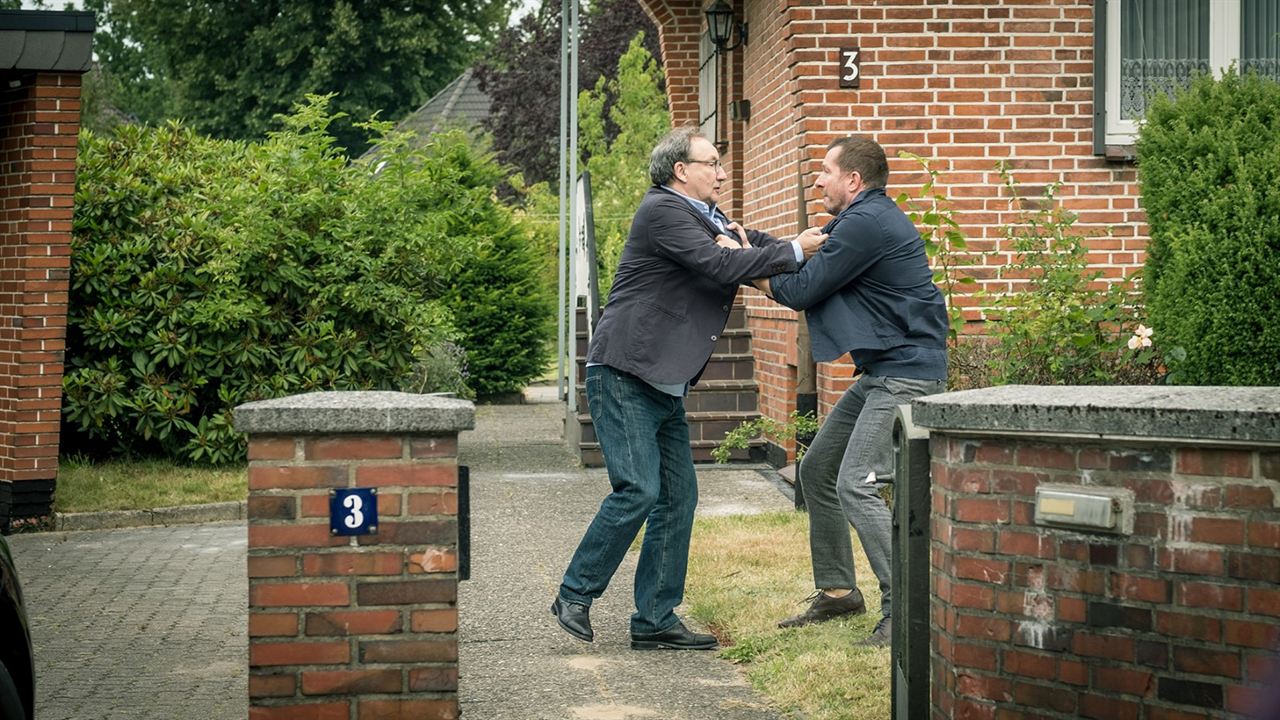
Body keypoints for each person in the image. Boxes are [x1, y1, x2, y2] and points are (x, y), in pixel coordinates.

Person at [552, 126, 827, 650]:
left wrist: (813, 243)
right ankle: (574, 594)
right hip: (626, 373)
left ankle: (655, 620)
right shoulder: (663, 212)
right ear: (682, 170)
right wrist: (793, 249)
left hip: (664, 382)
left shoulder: (710, 218)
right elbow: (721, 263)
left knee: (678, 499)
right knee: (639, 490)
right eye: (713, 163)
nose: (723, 173)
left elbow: (752, 246)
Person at [748, 135, 948, 646]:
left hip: (906, 373)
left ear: (853, 180)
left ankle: (905, 610)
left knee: (855, 481)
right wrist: (739, 237)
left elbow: (798, 289)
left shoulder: (866, 224)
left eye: (825, 171)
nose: (816, 180)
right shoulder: (860, 221)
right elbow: (797, 255)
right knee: (817, 470)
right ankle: (839, 593)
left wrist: (738, 267)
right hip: (884, 370)